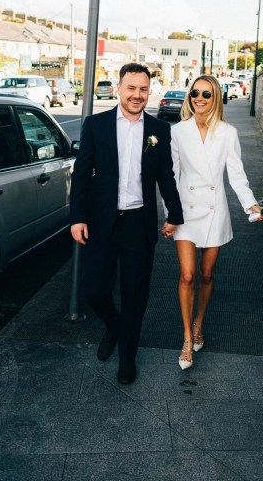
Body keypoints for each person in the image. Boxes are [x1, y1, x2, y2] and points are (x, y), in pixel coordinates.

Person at [70, 63, 183, 384]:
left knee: (135, 294)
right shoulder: (96, 125)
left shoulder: (160, 130)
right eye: (131, 88)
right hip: (101, 223)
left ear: (149, 91)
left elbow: (166, 176)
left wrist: (174, 215)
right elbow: (81, 173)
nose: (137, 95)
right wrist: (77, 216)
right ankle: (114, 325)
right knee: (94, 291)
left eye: (143, 89)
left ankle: (127, 357)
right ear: (119, 88)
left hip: (138, 225)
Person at [170, 74, 263, 369]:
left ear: (216, 99)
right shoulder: (177, 132)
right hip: (185, 210)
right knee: (187, 275)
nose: (199, 98)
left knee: (207, 274)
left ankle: (199, 322)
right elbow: (171, 177)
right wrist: (169, 214)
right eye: (195, 92)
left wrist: (250, 203)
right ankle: (186, 338)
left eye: (206, 94)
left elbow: (236, 174)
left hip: (214, 210)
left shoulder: (228, 133)